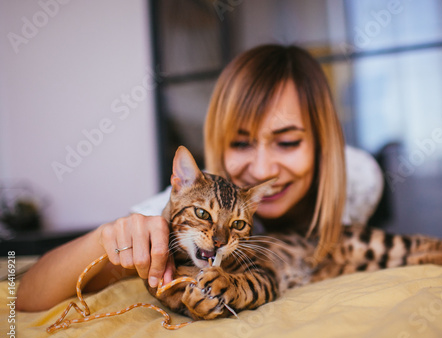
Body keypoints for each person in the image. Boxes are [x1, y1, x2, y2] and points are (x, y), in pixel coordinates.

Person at [17, 44, 382, 312]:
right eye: (240, 142)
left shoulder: (361, 179)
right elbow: (24, 295)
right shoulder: (181, 209)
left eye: (287, 142)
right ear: (217, 143)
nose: (263, 168)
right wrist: (104, 238)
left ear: (324, 144)